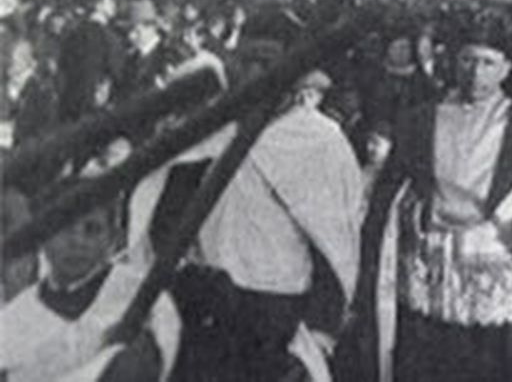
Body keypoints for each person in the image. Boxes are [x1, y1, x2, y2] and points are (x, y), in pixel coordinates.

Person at [346, 26, 512, 382]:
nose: (475, 72)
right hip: (428, 273)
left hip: (491, 276)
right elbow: (391, 190)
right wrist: (409, 210)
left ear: (506, 68)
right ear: (454, 61)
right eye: (468, 60)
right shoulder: (421, 119)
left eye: (487, 62)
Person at [178, 68, 363, 382]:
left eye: (266, 64)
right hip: (209, 295)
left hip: (277, 307)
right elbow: (171, 205)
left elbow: (334, 241)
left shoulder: (320, 140)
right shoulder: (215, 128)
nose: (254, 75)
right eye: (247, 63)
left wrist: (320, 329)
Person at [0, 183, 181, 382]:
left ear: (113, 237)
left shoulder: (142, 296)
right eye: (65, 229)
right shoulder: (15, 316)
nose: (78, 241)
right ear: (42, 236)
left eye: (92, 229)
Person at [57, 0, 122, 126]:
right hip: (95, 113)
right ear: (98, 3)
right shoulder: (109, 38)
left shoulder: (73, 33)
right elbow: (117, 76)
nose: (114, 3)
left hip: (68, 108)